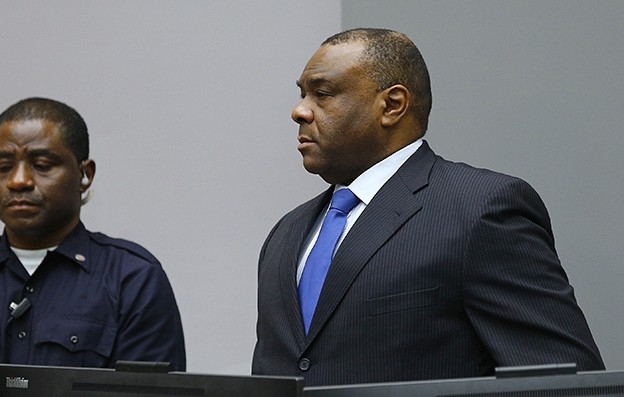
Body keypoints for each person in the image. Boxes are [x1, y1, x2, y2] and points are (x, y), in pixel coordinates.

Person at [251, 28, 604, 387]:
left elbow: (565, 385)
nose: (299, 111)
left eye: (322, 94)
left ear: (392, 105)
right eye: (302, 94)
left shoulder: (480, 210)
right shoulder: (286, 234)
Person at [0, 97, 186, 396]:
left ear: (85, 175)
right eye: (3, 167)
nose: (18, 181)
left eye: (42, 165)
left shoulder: (132, 281)